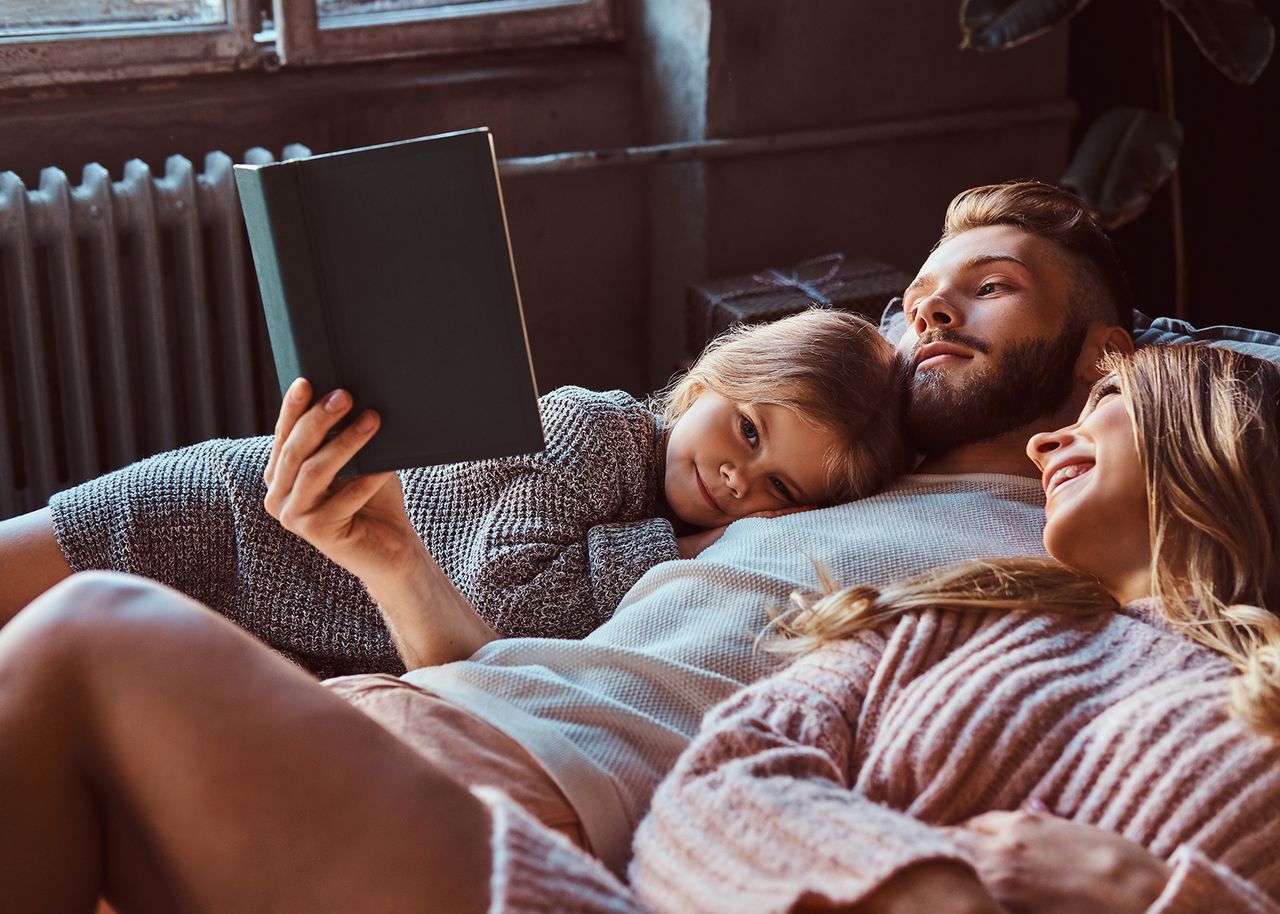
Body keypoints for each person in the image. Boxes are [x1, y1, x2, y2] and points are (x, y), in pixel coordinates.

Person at [0, 180, 1135, 905]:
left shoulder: (1072, 521)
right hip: (435, 700)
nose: (930, 311)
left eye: (989, 289)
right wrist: (389, 558)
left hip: (517, 791)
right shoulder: (831, 490)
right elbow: (539, 664)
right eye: (921, 295)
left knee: (86, 638)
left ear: (1100, 361)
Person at [624, 344, 1280, 914]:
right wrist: (920, 891)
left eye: (1109, 397)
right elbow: (715, 785)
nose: (1042, 443)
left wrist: (1154, 897)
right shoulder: (954, 612)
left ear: (1222, 429)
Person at [0, 308, 907, 674]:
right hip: (222, 517)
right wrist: (671, 552)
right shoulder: (598, 430)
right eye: (747, 431)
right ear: (709, 382)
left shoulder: (672, 518)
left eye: (777, 486)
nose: (737, 478)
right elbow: (504, 602)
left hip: (295, 630)